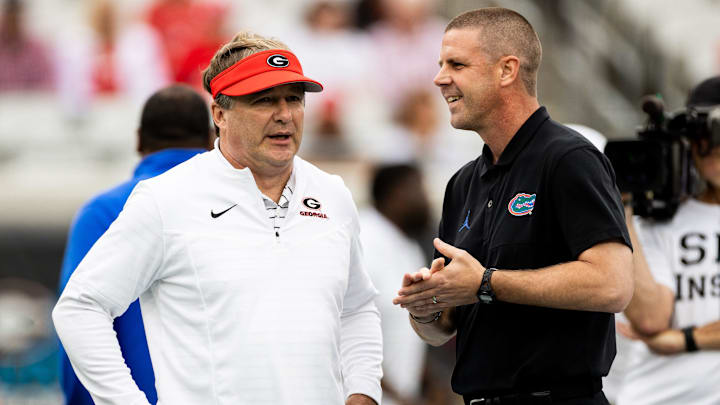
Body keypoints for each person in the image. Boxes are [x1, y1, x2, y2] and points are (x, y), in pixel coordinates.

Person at [52, 31, 382, 405]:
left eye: (294, 98)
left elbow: (357, 308)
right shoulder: (167, 199)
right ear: (220, 114)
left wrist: (363, 390)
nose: (285, 115)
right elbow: (80, 307)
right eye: (264, 100)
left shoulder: (333, 194)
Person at [392, 8, 634, 405]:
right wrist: (427, 306)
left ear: (507, 71)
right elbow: (445, 328)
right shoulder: (462, 183)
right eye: (440, 64)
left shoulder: (570, 158)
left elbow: (613, 285)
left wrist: (486, 282)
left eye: (456, 64)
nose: (439, 78)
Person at [57, 84, 213, 405]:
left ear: (139, 139)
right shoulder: (241, 205)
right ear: (213, 138)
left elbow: (77, 325)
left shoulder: (103, 211)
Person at [616, 76, 720, 404]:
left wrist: (685, 339)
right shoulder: (655, 223)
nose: (712, 151)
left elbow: (666, 334)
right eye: (702, 138)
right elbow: (650, 319)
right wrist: (624, 211)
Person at [360, 164, 430, 405]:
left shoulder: (407, 245)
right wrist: (399, 396)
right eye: (417, 189)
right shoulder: (362, 242)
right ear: (395, 194)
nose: (425, 199)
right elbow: (346, 334)